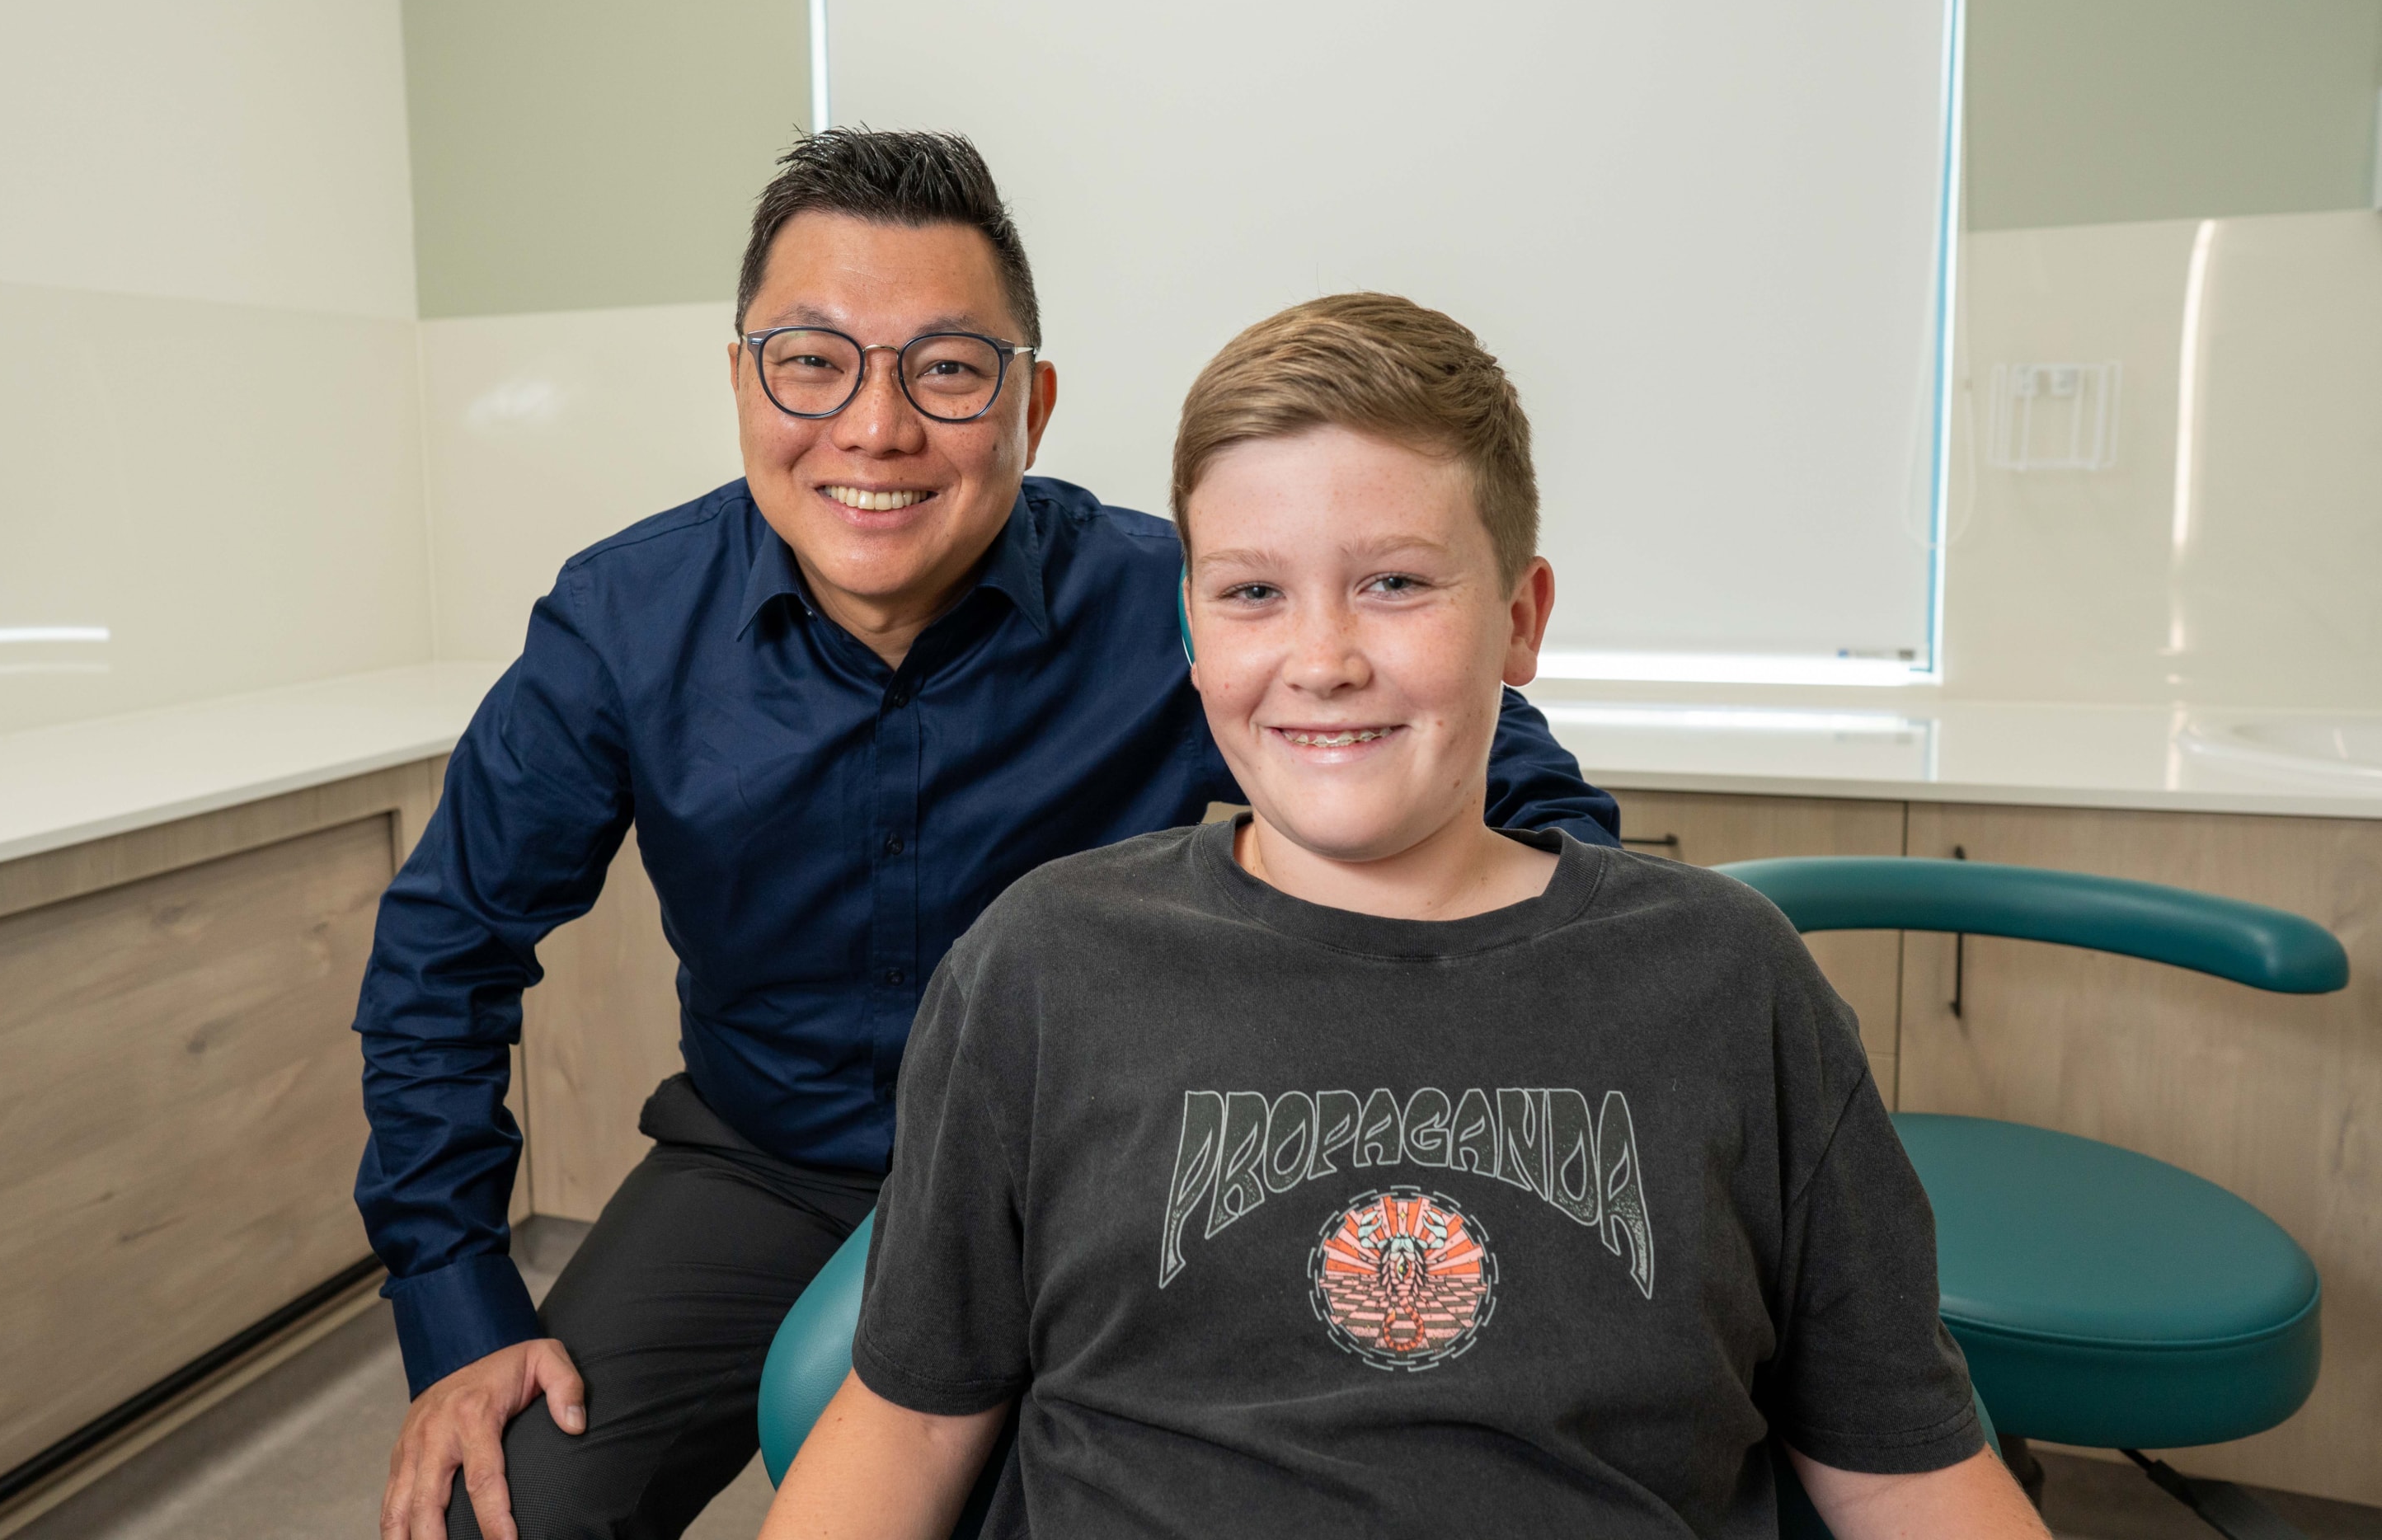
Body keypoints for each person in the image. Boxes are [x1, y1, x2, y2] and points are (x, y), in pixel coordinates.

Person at [356, 134, 1620, 1540]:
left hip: (1089, 1179)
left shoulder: (1183, 600)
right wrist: (458, 1309)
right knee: (503, 1512)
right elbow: (442, 956)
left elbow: (1516, 806)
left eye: (947, 369)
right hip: (761, 1165)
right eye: (813, 361)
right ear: (740, 385)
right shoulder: (622, 622)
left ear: (1034, 404)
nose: (875, 429)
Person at [763, 293, 2050, 1539]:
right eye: (1252, 594)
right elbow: (910, 1424)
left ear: (1519, 619)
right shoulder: (1044, 964)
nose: (1320, 659)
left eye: (1392, 583)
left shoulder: (1726, 982)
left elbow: (1903, 1473)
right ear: (1192, 631)